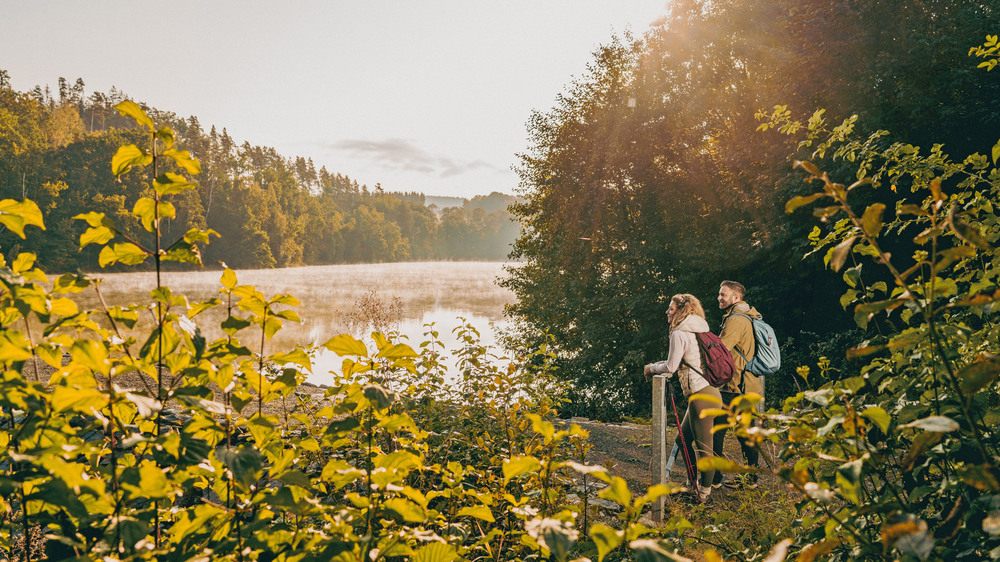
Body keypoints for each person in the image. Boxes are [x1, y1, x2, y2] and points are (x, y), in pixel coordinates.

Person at [644, 293, 721, 502]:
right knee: (683, 439)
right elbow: (676, 361)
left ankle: (704, 493)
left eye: (671, 308)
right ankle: (692, 483)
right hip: (710, 391)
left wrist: (651, 368)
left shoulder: (679, 333)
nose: (667, 312)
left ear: (681, 310)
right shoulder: (698, 328)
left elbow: (670, 366)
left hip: (701, 395)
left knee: (704, 448)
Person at [712, 280, 763, 489]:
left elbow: (721, 349)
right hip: (745, 383)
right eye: (719, 294)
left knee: (716, 430)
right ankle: (750, 479)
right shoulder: (747, 316)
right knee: (744, 432)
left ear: (736, 298)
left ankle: (714, 479)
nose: (719, 298)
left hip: (735, 386)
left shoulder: (736, 320)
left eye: (723, 295)